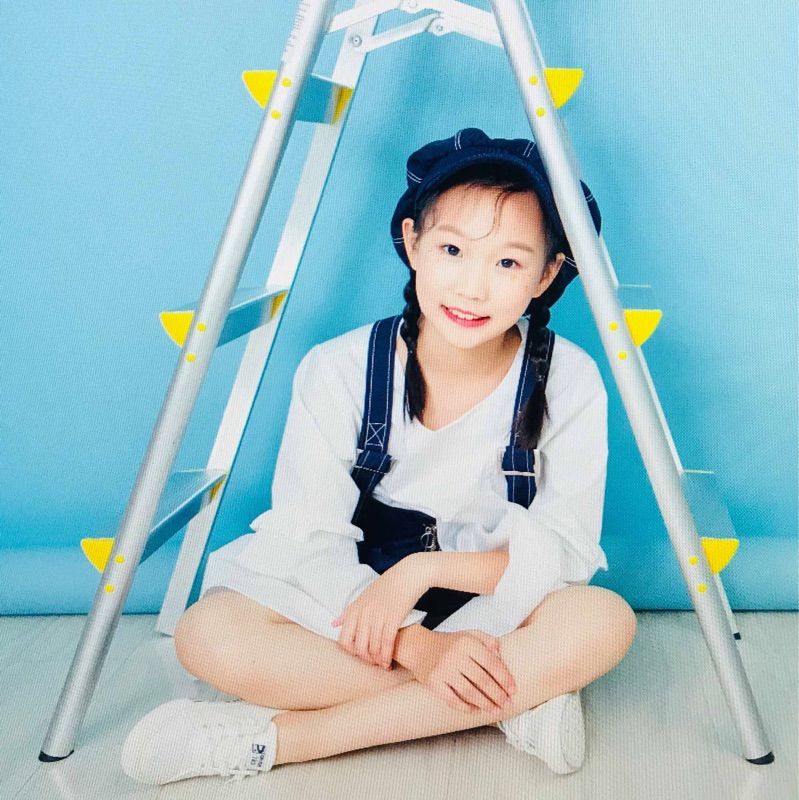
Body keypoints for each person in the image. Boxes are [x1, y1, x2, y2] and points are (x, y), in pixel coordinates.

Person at [120, 127, 636, 786]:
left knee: (601, 623)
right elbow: (308, 534)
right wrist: (417, 647)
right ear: (413, 242)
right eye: (452, 249)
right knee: (208, 634)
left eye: (507, 263)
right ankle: (510, 703)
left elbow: (564, 549)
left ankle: (280, 740)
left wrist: (423, 571)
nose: (472, 288)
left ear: (547, 274)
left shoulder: (569, 378)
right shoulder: (338, 368)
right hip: (354, 605)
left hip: (494, 599)